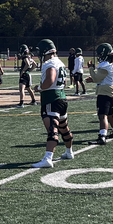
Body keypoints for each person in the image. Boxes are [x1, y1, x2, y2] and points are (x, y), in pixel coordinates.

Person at [32, 39, 73, 168]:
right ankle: (69, 151)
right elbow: (64, 82)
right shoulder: (60, 62)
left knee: (52, 130)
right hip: (62, 98)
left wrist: (39, 88)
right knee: (64, 128)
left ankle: (48, 158)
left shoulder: (50, 63)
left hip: (51, 98)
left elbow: (50, 80)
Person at [90, 42, 113, 144]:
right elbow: (102, 78)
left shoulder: (104, 65)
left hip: (105, 92)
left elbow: (97, 78)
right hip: (112, 91)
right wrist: (93, 79)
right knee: (110, 114)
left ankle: (102, 136)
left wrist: (91, 68)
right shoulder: (111, 63)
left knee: (102, 115)